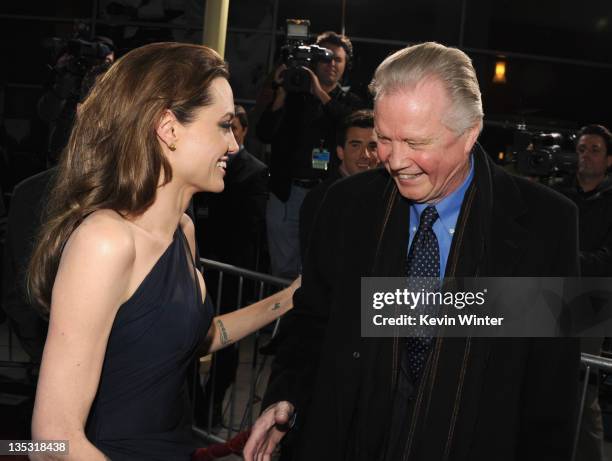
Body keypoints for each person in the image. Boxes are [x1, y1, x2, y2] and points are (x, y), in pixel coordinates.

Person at [245, 42, 580, 461]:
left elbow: (553, 386)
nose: (394, 159)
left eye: (415, 141)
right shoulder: (346, 204)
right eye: (384, 138)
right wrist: (287, 397)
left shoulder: (546, 223)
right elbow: (311, 322)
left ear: (470, 132)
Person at [27, 42, 299, 461]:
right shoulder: (105, 242)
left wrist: (288, 300)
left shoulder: (182, 232)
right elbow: (51, 440)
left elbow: (191, 337)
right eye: (224, 125)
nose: (233, 145)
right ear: (169, 128)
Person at [257, 31, 364, 279]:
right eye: (325, 58)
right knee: (283, 270)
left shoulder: (351, 102)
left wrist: (318, 92)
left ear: (346, 64)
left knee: (321, 266)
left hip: (330, 193)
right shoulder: (292, 97)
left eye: (337, 59)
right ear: (314, 60)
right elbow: (263, 133)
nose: (331, 64)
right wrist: (281, 93)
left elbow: (349, 124)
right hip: (287, 193)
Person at [195, 104, 269, 427]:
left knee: (227, 347)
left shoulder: (254, 171)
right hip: (202, 264)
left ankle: (210, 405)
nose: (230, 138)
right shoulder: (199, 165)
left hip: (232, 270)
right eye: (223, 129)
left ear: (245, 132)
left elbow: (248, 228)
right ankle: (195, 405)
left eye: (233, 129)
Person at [555, 124, 612, 461]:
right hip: (550, 294)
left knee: (582, 391)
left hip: (593, 298)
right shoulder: (561, 194)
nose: (585, 156)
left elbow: (609, 260)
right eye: (581, 149)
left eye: (594, 150)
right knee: (543, 380)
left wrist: (568, 260)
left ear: (608, 160)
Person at [298, 108, 378, 260]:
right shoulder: (320, 198)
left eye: (372, 147)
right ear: (340, 152)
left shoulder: (388, 193)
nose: (365, 155)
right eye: (356, 145)